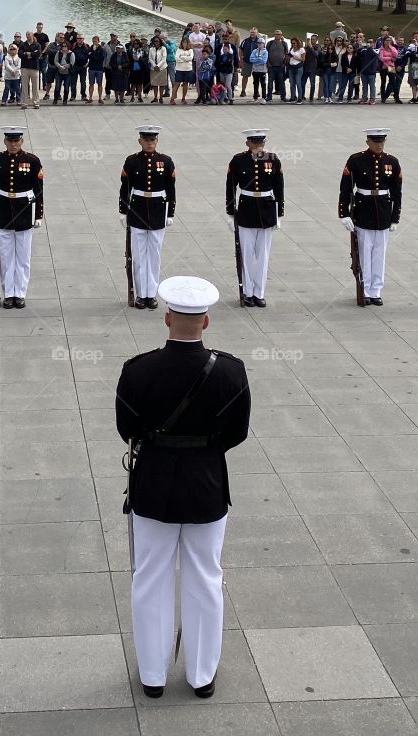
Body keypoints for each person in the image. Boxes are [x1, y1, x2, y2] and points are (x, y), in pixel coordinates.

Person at [116, 275, 250, 700]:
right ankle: (201, 676)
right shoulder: (230, 371)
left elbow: (127, 427)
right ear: (206, 322)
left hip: (153, 484)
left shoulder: (138, 370)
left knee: (150, 577)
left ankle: (153, 677)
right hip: (206, 484)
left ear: (166, 318)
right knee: (205, 577)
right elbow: (237, 432)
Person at [338, 128, 402, 307]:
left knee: (379, 254)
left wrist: (395, 217)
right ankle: (365, 289)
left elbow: (397, 192)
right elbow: (346, 188)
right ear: (368, 142)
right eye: (375, 142)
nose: (379, 145)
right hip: (363, 210)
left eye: (382, 141)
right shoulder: (356, 160)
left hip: (383, 212)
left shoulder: (392, 161)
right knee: (364, 253)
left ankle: (376, 291)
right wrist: (344, 213)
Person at [0, 128, 43, 307]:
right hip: (3, 211)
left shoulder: (32, 161)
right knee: (6, 257)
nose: (13, 144)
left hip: (24, 211)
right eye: (10, 141)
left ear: (21, 142)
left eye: (16, 141)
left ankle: (20, 293)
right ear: (5, 142)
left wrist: (39, 214)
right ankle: (9, 294)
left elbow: (38, 189)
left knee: (23, 258)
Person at [120, 126, 177, 310]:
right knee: (138, 256)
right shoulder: (131, 161)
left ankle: (151, 294)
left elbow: (171, 189)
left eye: (152, 140)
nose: (150, 143)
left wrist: (170, 213)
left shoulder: (166, 161)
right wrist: (123, 211)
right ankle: (140, 294)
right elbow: (125, 188)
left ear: (157, 141)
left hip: (158, 210)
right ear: (140, 141)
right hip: (137, 210)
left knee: (154, 255)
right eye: (146, 140)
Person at [225, 131, 284, 307]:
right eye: (255, 141)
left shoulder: (273, 159)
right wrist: (230, 213)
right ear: (247, 143)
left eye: (261, 142)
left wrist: (279, 214)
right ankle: (247, 292)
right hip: (246, 210)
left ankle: (259, 293)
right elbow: (230, 188)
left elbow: (279, 188)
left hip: (267, 210)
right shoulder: (238, 160)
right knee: (246, 255)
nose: (259, 145)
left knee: (263, 256)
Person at [19, 31, 42, 108]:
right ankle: (24, 103)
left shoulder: (37, 45)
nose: (27, 36)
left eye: (29, 34)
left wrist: (28, 53)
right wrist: (31, 54)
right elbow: (20, 54)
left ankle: (36, 102)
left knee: (35, 86)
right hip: (24, 68)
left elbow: (38, 54)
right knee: (24, 86)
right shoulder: (23, 45)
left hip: (34, 68)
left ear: (32, 35)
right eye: (26, 35)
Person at [171, 37, 195, 104]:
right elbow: (176, 58)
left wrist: (182, 57)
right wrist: (185, 59)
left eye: (185, 42)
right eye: (183, 42)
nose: (184, 44)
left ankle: (183, 98)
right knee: (177, 83)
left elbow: (190, 58)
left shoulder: (190, 50)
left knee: (185, 83)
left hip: (188, 69)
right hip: (179, 69)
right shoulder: (179, 50)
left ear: (188, 43)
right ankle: (172, 98)